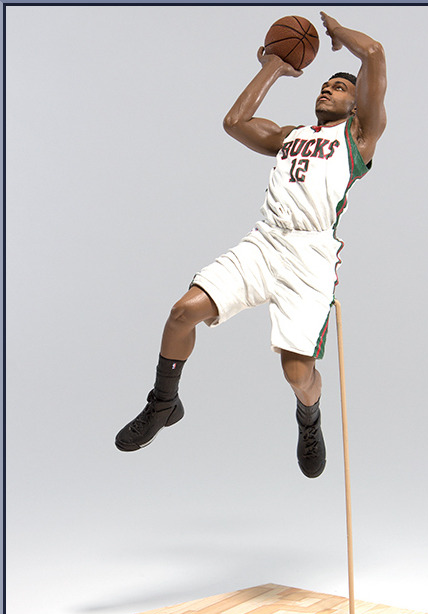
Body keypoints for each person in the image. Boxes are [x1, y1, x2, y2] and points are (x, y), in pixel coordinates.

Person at [115, 12, 387, 478]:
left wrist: (339, 35)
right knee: (182, 312)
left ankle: (309, 416)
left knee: (298, 375)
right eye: (324, 85)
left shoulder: (358, 138)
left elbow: (375, 54)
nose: (327, 89)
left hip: (309, 258)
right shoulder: (289, 137)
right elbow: (234, 121)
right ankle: (164, 402)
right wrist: (275, 66)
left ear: (356, 105)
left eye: (340, 88)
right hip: (265, 242)